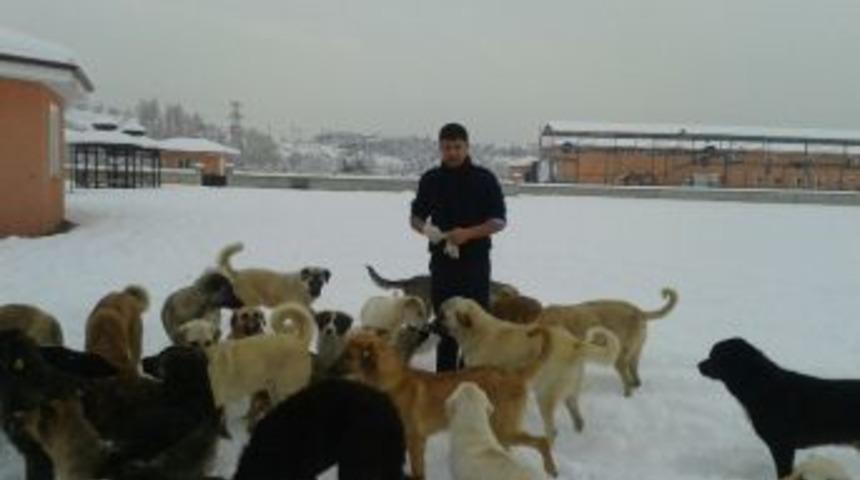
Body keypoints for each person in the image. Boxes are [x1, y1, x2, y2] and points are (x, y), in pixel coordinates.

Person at [410, 123, 507, 372]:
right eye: (446, 148)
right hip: (442, 264)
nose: (452, 152)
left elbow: (499, 221)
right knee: (445, 325)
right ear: (440, 148)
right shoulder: (430, 180)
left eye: (457, 147)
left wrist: (469, 234)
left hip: (476, 263)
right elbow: (415, 217)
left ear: (467, 147)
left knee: (475, 324)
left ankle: (471, 377)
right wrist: (426, 230)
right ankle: (444, 379)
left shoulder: (484, 179)